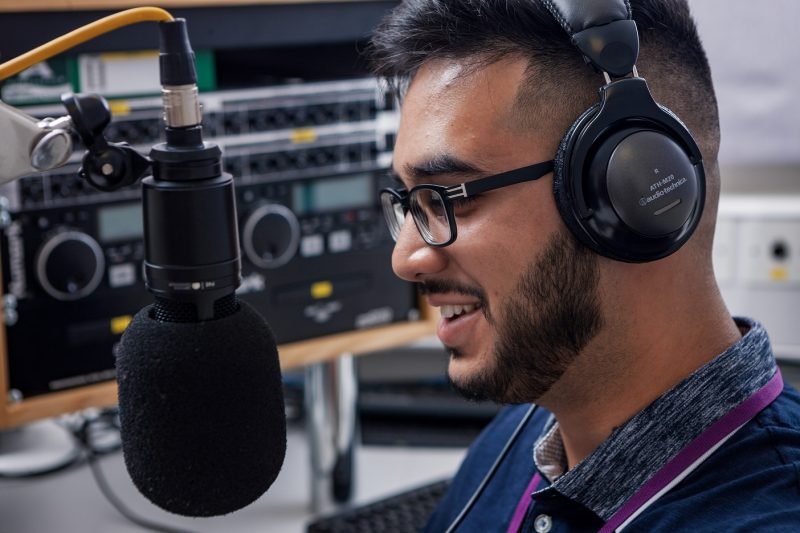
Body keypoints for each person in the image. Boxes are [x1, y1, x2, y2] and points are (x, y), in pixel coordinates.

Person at [366, 0, 800, 531]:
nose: (405, 257)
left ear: (631, 191)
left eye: (448, 198)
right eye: (409, 203)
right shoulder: (521, 439)